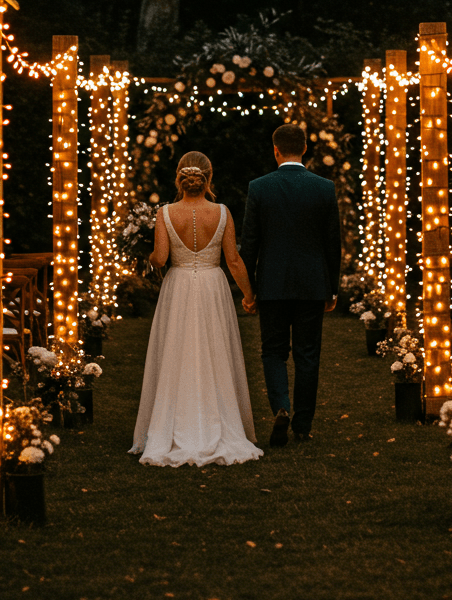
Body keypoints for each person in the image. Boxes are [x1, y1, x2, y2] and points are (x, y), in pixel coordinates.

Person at [129, 151, 263, 467]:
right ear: (208, 178)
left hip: (177, 288)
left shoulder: (164, 213)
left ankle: (172, 425)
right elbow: (233, 259)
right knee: (215, 351)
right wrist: (249, 294)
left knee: (176, 351)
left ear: (180, 178)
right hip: (213, 287)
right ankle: (219, 421)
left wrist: (144, 257)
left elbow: (160, 258)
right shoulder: (222, 212)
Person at [240, 123, 342, 446]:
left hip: (271, 284)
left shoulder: (259, 187)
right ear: (305, 149)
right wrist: (333, 288)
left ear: (275, 150)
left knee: (273, 351)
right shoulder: (324, 188)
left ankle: (281, 407)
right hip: (312, 284)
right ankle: (302, 424)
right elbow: (332, 244)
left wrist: (250, 290)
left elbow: (250, 244)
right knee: (308, 353)